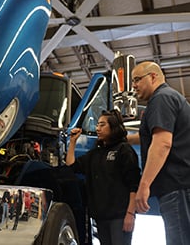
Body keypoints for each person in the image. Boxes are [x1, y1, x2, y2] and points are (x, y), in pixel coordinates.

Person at [129, 61, 190, 245]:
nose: (133, 85)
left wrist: (144, 185)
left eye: (137, 79)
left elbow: (162, 142)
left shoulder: (160, 98)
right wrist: (127, 139)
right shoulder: (173, 97)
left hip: (176, 186)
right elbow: (157, 134)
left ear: (153, 77)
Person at [66, 110, 141, 245]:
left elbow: (133, 185)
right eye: (97, 125)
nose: (97, 128)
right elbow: (72, 165)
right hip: (101, 217)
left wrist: (130, 214)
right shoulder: (95, 154)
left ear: (113, 127)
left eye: (102, 125)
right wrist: (72, 142)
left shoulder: (124, 150)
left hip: (120, 216)